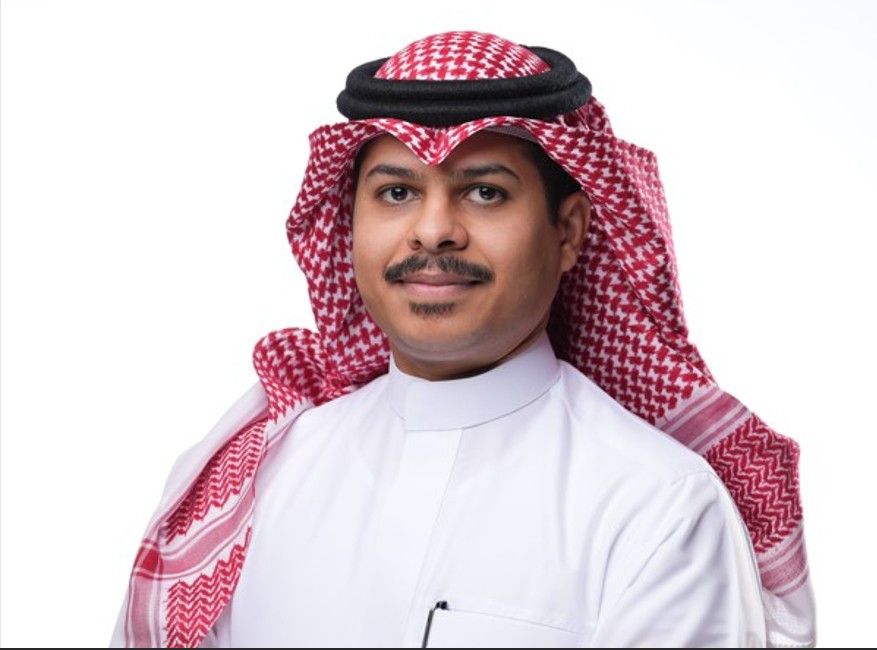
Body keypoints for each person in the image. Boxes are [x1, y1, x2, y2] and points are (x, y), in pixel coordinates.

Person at [110, 32, 815, 648]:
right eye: (396, 192)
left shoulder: (656, 507)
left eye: (484, 192)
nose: (433, 231)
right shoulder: (259, 476)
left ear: (567, 232)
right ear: (349, 223)